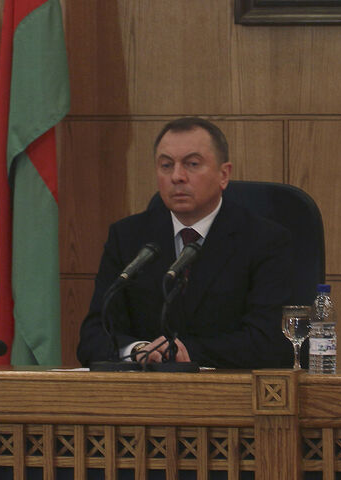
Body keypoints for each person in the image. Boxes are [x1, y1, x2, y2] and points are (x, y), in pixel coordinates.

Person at [76, 118, 293, 369]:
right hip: (144, 398)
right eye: (166, 165)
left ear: (224, 175)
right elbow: (93, 336)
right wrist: (138, 350)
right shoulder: (128, 237)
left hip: (229, 396)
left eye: (192, 164)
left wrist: (183, 352)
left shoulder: (264, 240)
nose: (177, 176)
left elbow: (269, 342)